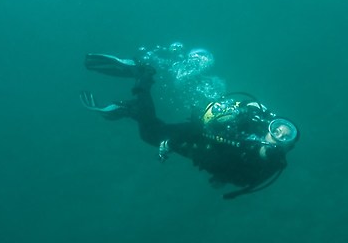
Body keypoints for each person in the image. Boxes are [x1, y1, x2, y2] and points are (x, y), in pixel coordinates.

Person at [80, 52, 298, 199]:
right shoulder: (253, 124)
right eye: (279, 128)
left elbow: (242, 180)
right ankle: (142, 76)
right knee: (150, 134)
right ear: (271, 124)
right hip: (197, 137)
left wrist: (220, 177)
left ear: (288, 146)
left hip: (199, 147)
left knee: (151, 132)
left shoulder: (273, 166)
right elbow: (209, 129)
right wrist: (176, 142)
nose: (278, 134)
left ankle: (133, 103)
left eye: (285, 136)